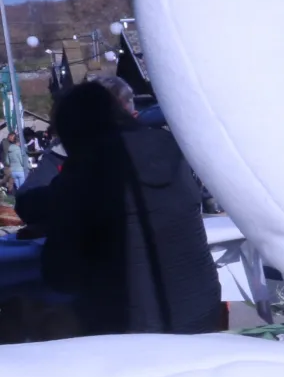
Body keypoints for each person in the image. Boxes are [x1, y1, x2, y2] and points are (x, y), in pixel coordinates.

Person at [14, 79, 221, 336]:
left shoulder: (87, 167)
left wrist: (58, 218)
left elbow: (60, 275)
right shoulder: (169, 145)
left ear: (72, 131)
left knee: (29, 316)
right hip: (201, 309)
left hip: (131, 329)